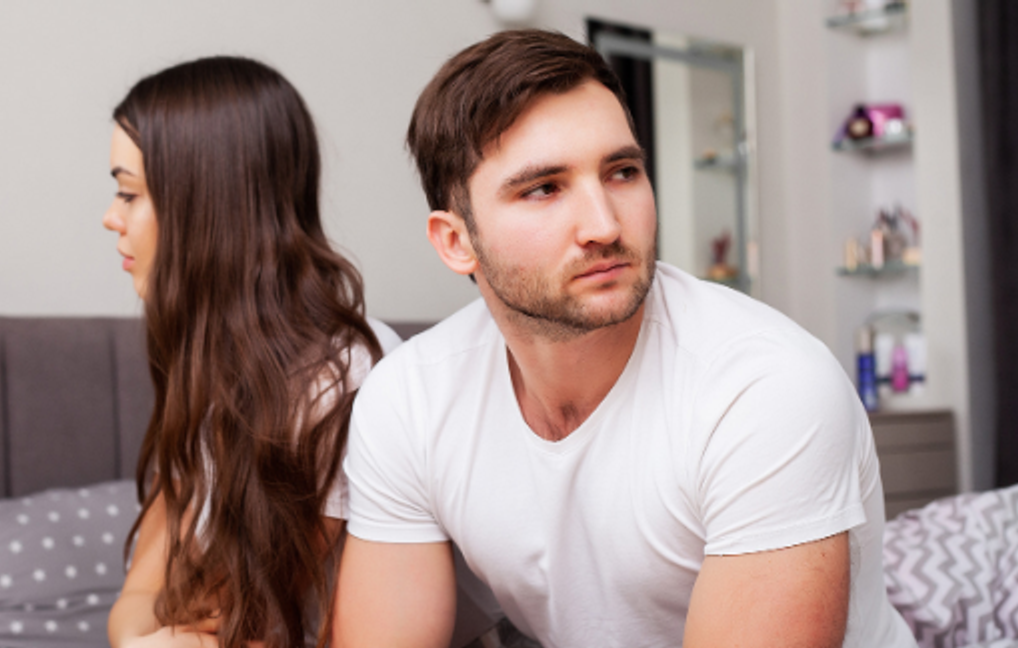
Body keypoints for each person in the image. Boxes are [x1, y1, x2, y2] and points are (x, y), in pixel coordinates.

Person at [333, 30, 916, 648]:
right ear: (456, 242)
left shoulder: (766, 390)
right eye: (544, 188)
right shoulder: (409, 399)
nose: (605, 225)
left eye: (622, 172)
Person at [101, 56, 400, 648]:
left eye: (130, 193)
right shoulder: (211, 369)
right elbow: (139, 600)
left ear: (207, 208)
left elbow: (246, 621)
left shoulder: (341, 375)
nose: (111, 217)